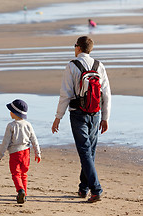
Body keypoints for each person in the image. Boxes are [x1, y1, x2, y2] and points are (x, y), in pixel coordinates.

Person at [51, 36, 111, 203]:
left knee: (85, 151)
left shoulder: (71, 66)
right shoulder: (99, 66)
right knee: (89, 151)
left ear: (78, 47)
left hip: (78, 113)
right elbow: (106, 94)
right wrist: (105, 118)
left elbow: (66, 94)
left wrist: (58, 117)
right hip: (96, 113)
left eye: (75, 46)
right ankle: (83, 188)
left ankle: (96, 189)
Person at [0, 99, 41, 204]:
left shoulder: (11, 125)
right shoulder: (28, 125)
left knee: (15, 174)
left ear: (14, 113)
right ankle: (24, 194)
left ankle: (20, 190)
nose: (10, 113)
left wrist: (0, 155)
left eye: (11, 110)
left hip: (15, 153)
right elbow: (34, 139)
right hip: (26, 152)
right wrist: (37, 153)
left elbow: (5, 142)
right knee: (24, 174)